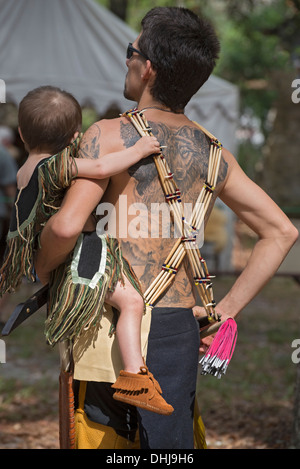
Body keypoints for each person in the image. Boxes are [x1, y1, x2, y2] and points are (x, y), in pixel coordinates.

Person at [34, 7, 298, 449]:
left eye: (129, 51)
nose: (126, 61)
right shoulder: (214, 153)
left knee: (101, 441)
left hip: (107, 317)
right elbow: (281, 232)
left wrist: (43, 269)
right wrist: (225, 311)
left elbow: (64, 230)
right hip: (179, 325)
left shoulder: (106, 137)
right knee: (169, 446)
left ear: (148, 68)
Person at [0, 85, 174, 416]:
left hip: (45, 255)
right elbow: (98, 169)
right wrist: (139, 149)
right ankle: (136, 377)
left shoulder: (24, 169)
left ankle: (135, 377)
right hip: (80, 255)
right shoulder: (55, 165)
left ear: (22, 133)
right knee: (132, 301)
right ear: (76, 135)